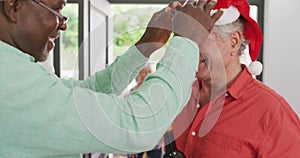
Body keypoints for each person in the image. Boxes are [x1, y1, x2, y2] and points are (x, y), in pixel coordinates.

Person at [0, 0, 223, 157]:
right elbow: (138, 125)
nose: (64, 24)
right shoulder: (9, 82)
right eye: (57, 11)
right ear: (14, 6)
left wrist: (145, 46)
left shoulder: (14, 71)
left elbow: (86, 93)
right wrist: (187, 40)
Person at [171, 0, 300, 158]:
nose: (189, 50)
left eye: (201, 39)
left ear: (234, 42)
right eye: (188, 40)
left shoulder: (273, 114)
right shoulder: (179, 96)